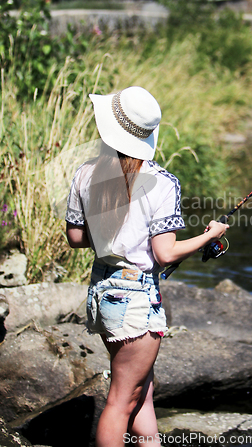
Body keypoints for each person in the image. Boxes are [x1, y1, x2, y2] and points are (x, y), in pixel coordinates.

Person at [65, 86, 229, 447]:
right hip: (135, 300)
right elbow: (166, 253)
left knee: (141, 392)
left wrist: (112, 237)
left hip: (103, 291)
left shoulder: (85, 174)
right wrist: (210, 235)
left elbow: (76, 239)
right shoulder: (163, 183)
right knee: (121, 401)